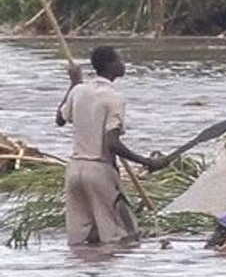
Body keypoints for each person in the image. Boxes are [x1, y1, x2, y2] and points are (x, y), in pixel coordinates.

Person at [56, 46, 169, 246]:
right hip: (99, 170)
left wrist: (73, 84)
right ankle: (110, 275)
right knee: (119, 236)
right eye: (119, 60)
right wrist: (147, 161)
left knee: (81, 238)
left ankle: (81, 275)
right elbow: (112, 144)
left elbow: (60, 119)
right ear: (110, 66)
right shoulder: (114, 98)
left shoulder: (79, 90)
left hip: (74, 171)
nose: (123, 64)